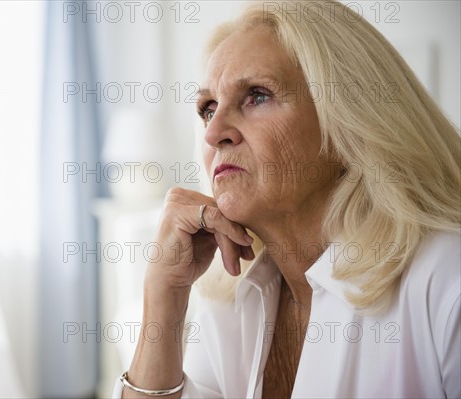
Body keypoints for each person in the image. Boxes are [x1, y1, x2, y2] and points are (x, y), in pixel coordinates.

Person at [113, 1, 461, 397]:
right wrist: (163, 297)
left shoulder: (447, 280)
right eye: (208, 109)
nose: (213, 134)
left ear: (348, 120)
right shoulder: (234, 296)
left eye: (256, 96)